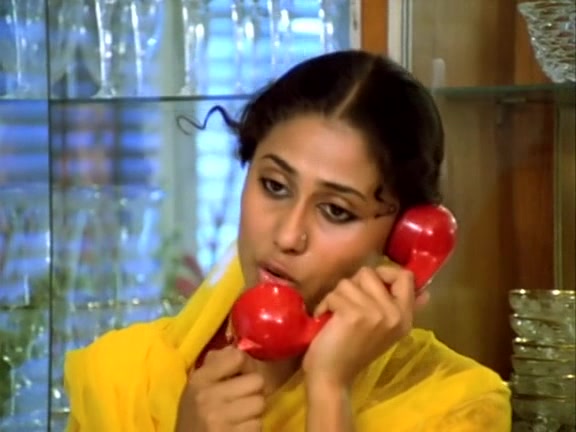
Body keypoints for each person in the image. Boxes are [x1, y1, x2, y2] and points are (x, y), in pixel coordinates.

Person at [64, 50, 511, 432]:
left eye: (336, 210)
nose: (287, 235)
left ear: (403, 237)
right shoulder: (122, 377)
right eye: (274, 186)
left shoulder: (458, 406)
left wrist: (330, 391)